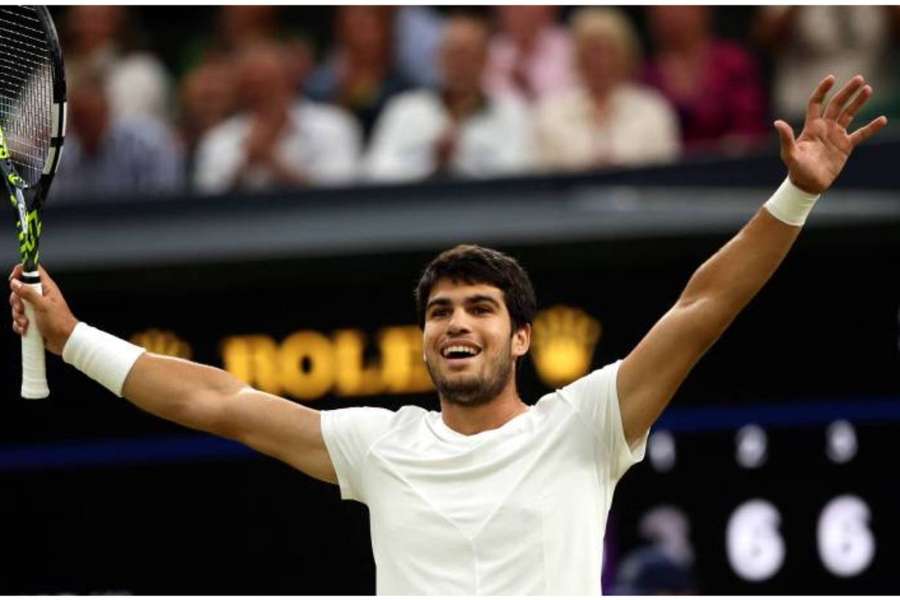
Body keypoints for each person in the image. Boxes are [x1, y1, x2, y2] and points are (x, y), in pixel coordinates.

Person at [8, 76, 887, 594]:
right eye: (440, 311)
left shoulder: (585, 424)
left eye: (480, 308)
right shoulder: (377, 443)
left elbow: (703, 306)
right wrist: (75, 336)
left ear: (519, 341)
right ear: (427, 341)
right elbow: (219, 399)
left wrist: (796, 197)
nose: (456, 322)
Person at [364, 14, 535, 182]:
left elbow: (518, 178)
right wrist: (430, 162)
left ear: (486, 59)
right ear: (437, 57)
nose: (461, 64)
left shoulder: (511, 113)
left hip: (486, 207)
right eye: (453, 54)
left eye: (469, 54)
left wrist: (462, 162)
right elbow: (377, 173)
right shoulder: (404, 110)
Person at [192, 42, 362, 193]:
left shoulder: (334, 125)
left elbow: (341, 198)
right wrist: (245, 165)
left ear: (290, 82)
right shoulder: (218, 140)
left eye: (270, 84)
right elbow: (206, 210)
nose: (263, 96)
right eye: (253, 88)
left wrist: (274, 163)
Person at [535, 8, 681, 172]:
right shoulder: (550, 113)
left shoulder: (653, 110)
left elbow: (665, 176)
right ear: (578, 56)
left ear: (625, 55)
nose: (600, 61)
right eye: (592, 51)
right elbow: (543, 180)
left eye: (609, 51)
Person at [642, 5, 769, 155]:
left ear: (703, 11)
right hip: (668, 169)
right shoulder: (646, 74)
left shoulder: (732, 61)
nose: (672, 17)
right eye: (663, 9)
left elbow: (750, 125)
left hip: (733, 163)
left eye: (680, 8)